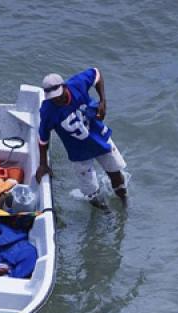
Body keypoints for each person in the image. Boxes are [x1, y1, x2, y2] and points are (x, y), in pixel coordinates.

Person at [35, 68, 128, 208]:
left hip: (98, 138)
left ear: (64, 87)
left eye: (59, 95)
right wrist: (43, 164)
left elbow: (97, 73)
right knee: (91, 192)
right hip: (78, 152)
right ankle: (105, 211)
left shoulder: (77, 84)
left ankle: (123, 202)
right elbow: (43, 138)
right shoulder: (48, 111)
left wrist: (103, 101)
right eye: (53, 98)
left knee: (116, 174)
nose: (57, 100)